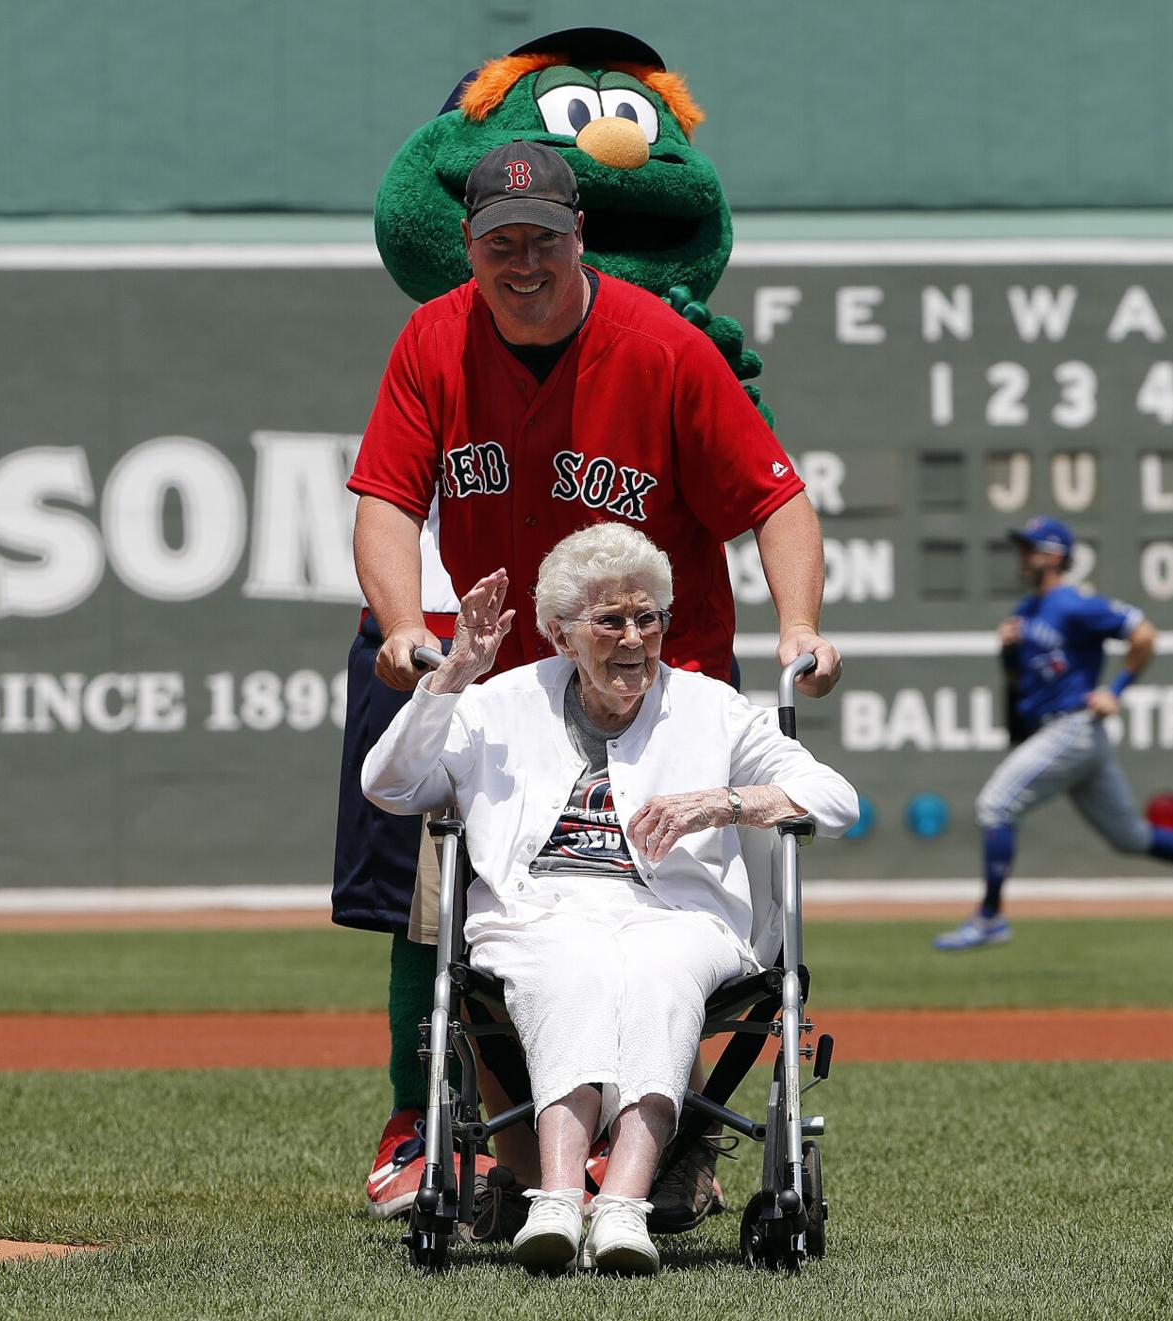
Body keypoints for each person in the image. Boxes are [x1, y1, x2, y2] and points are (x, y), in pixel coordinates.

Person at [341, 137, 842, 1216]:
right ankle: (519, 1163)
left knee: (689, 922)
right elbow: (387, 495)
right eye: (498, 243)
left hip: (658, 680)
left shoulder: (659, 345)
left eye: (544, 241)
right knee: (483, 922)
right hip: (513, 688)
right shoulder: (434, 339)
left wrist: (800, 624)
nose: (522, 262)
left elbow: (775, 497)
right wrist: (398, 625)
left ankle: (678, 1157)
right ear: (468, 248)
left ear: (582, 240)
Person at [362, 525, 858, 1273]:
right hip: (538, 910)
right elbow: (389, 783)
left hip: (680, 916)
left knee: (656, 966)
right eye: (611, 621)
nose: (635, 638)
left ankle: (622, 1206)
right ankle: (559, 1199)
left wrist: (724, 803)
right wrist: (456, 670)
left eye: (649, 618)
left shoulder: (709, 707)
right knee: (576, 961)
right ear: (560, 632)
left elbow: (835, 796)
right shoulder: (499, 704)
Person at [935, 516, 1173, 951]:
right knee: (1132, 837)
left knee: (995, 806)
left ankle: (990, 918)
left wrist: (1116, 689)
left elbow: (1143, 634)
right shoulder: (1025, 613)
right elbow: (1019, 707)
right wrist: (1009, 657)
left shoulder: (1073, 604)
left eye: (1030, 548)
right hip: (1059, 733)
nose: (1022, 556)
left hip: (1074, 728)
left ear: (1054, 556)